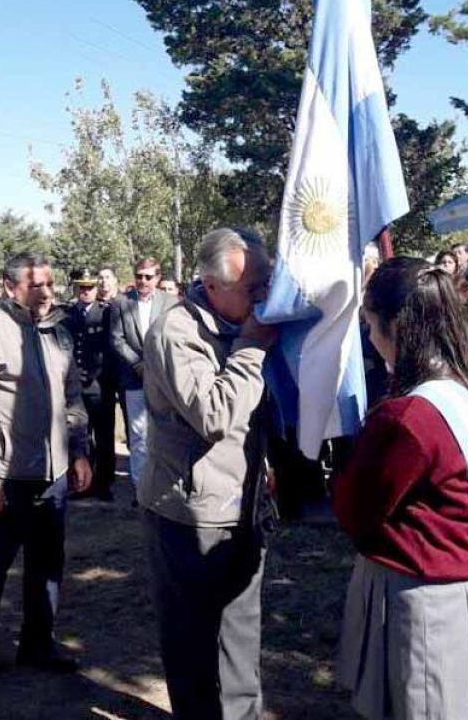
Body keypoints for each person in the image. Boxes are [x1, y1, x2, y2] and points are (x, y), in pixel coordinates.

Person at [334, 258, 468, 720]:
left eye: (370, 325)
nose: (370, 337)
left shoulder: (407, 417)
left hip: (420, 600)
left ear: (394, 325)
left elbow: (357, 512)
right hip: (460, 589)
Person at [140, 227, 275, 720]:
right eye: (252, 288)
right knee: (192, 644)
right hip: (188, 516)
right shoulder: (176, 331)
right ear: (211, 285)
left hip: (243, 506)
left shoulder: (240, 321)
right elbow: (214, 414)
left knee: (241, 638)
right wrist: (251, 350)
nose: (263, 297)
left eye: (266, 284)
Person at [0, 251, 91, 674]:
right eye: (36, 285)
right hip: (6, 475)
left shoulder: (58, 334)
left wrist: (80, 450)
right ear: (10, 287)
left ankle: (38, 644)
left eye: (50, 283)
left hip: (55, 475)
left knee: (47, 566)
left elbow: (72, 398)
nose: (47, 293)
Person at [109, 256, 177, 501]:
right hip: (133, 378)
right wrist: (137, 364)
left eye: (149, 276)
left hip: (164, 380)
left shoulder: (170, 302)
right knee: (138, 436)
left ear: (158, 278)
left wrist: (157, 367)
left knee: (165, 432)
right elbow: (117, 338)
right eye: (139, 276)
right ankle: (141, 489)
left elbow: (174, 338)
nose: (143, 281)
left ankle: (165, 487)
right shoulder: (121, 303)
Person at [66, 268, 116, 501]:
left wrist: (98, 375)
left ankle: (104, 484)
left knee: (103, 435)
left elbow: (110, 349)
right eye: (81, 287)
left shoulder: (106, 313)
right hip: (75, 386)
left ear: (97, 288)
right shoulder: (67, 315)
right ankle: (82, 484)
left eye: (89, 287)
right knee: (79, 435)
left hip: (99, 384)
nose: (85, 292)